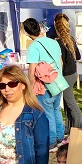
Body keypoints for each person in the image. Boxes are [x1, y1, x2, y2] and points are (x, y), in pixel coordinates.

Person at [23, 18, 69, 149]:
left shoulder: (33, 47)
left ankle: (51, 141)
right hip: (58, 81)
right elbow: (60, 62)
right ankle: (60, 137)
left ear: (27, 32)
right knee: (55, 110)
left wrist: (31, 86)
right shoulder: (53, 42)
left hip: (44, 85)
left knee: (47, 113)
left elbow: (32, 69)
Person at [54, 14, 82, 134]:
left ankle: (79, 126)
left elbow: (59, 61)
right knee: (67, 102)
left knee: (70, 102)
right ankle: (70, 126)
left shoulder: (59, 42)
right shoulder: (70, 39)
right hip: (72, 73)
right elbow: (78, 56)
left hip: (66, 75)